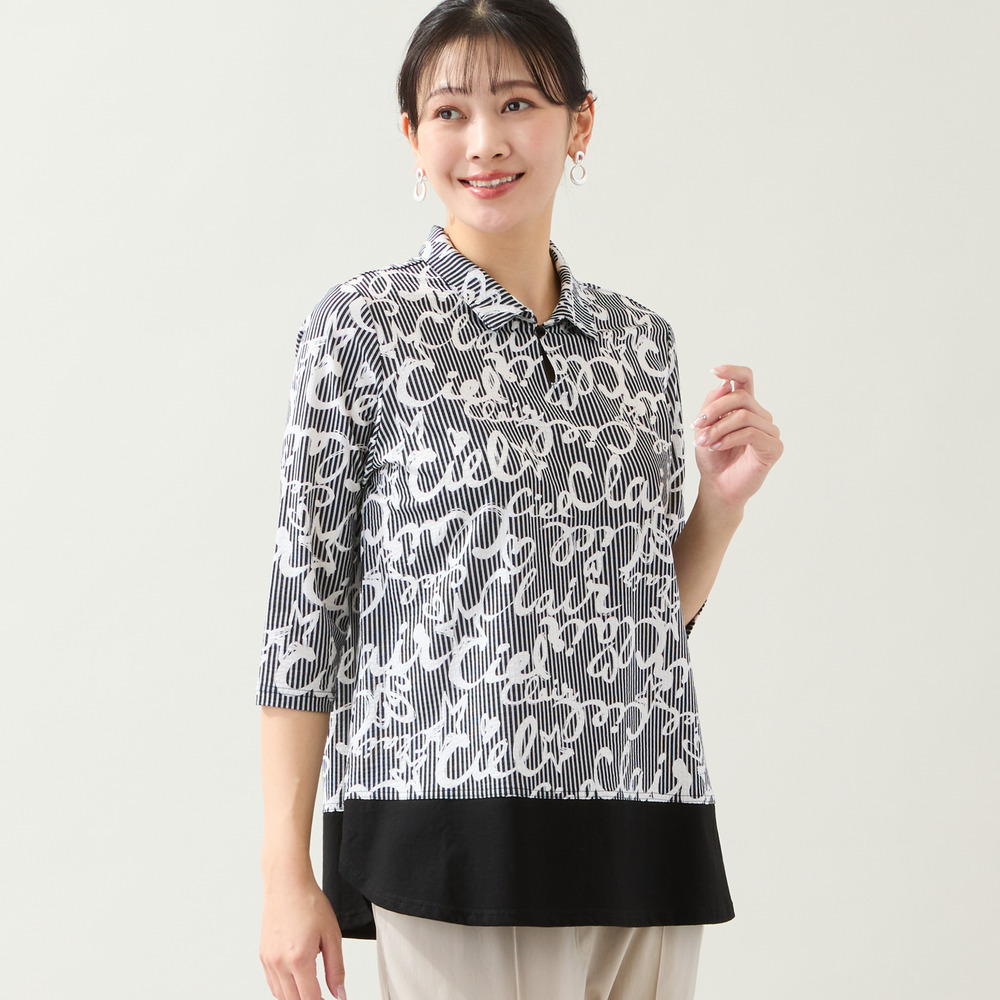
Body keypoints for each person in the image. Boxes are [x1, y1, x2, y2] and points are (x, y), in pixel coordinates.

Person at [256, 1, 783, 998]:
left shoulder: (639, 346)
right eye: (449, 112)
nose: (485, 140)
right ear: (412, 136)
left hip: (645, 819)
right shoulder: (364, 328)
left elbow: (635, 620)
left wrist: (718, 508)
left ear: (579, 123)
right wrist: (285, 872)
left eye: (516, 104)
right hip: (454, 828)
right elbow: (303, 615)